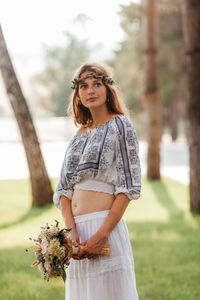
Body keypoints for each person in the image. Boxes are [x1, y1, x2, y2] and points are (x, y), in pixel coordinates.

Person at [53, 62, 141, 300]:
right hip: (77, 234)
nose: (90, 90)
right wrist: (70, 233)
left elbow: (128, 186)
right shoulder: (79, 134)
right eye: (83, 86)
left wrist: (101, 235)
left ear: (108, 89)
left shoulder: (121, 125)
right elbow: (63, 189)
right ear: (78, 94)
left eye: (96, 84)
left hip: (105, 229)